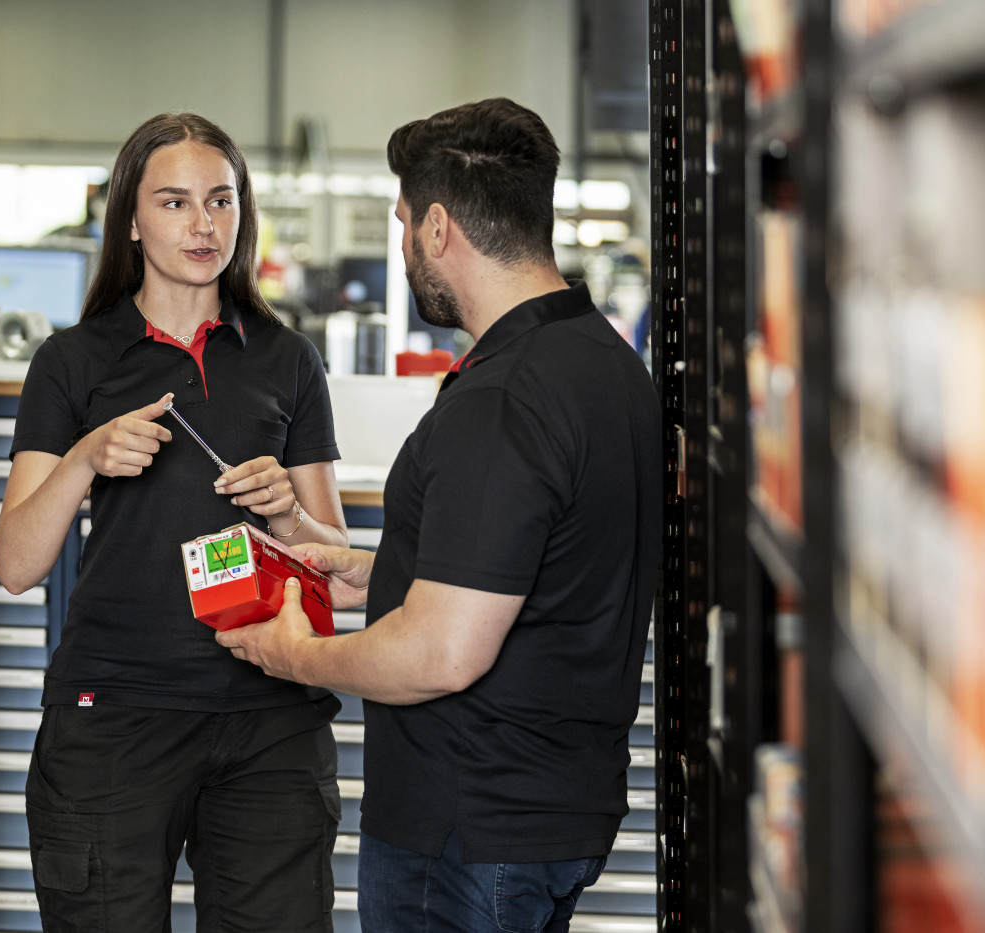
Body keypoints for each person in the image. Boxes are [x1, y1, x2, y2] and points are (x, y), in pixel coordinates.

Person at [217, 98, 662, 933]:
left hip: (465, 836)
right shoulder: (604, 362)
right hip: (554, 816)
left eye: (401, 223)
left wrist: (296, 653)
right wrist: (378, 570)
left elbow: (443, 652)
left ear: (436, 228)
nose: (402, 246)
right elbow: (547, 564)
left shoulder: (502, 398)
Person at [0, 112, 349, 933]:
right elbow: (16, 563)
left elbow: (338, 566)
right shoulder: (72, 361)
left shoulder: (287, 358)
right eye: (175, 202)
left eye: (221, 200)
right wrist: (85, 457)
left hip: (270, 717)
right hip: (115, 714)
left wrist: (289, 513)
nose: (203, 224)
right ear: (130, 218)